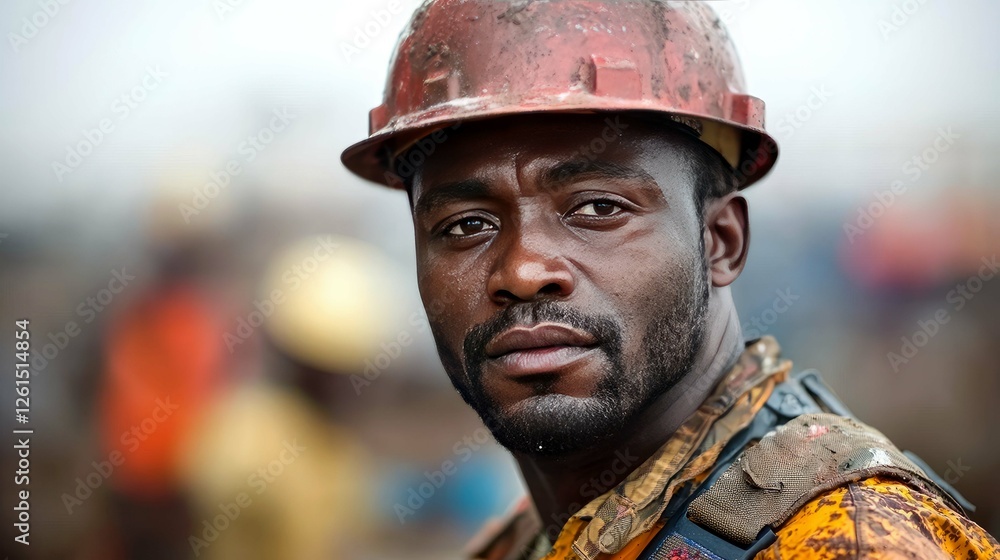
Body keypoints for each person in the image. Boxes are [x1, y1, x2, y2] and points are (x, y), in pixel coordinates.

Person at [341, 1, 1000, 558]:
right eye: (464, 225)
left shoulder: (849, 540)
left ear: (721, 242)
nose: (522, 271)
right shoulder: (528, 540)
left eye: (599, 208)